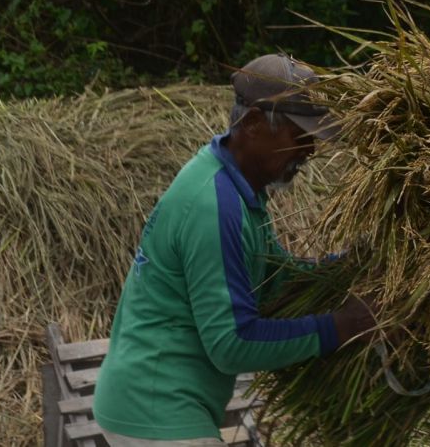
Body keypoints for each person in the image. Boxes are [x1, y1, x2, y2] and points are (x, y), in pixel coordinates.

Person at [93, 54, 376, 446]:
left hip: (157, 402)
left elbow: (275, 278)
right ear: (254, 123)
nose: (310, 150)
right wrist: (341, 327)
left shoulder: (236, 189)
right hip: (157, 408)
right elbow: (232, 343)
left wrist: (348, 269)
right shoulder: (214, 205)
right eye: (300, 135)